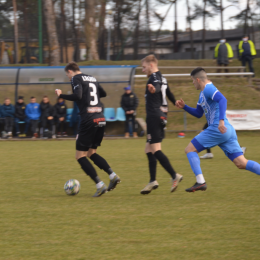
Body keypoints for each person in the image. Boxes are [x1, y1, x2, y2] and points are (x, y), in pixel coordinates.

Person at [175, 67, 260, 192]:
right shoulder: (202, 94)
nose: (193, 83)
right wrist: (185, 107)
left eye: (192, 81)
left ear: (198, 79)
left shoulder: (209, 88)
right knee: (241, 163)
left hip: (218, 128)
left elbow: (222, 99)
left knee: (189, 149)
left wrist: (220, 121)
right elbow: (199, 113)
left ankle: (200, 182)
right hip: (226, 131)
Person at [55, 61, 120, 197]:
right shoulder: (92, 78)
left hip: (88, 119)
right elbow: (103, 93)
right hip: (101, 119)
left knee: (80, 156)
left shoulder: (75, 78)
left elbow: (77, 96)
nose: (68, 78)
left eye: (67, 75)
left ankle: (99, 184)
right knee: (91, 152)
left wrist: (61, 95)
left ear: (70, 71)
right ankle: (112, 175)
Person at [140, 54, 183, 195]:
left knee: (156, 149)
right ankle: (152, 180)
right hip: (161, 115)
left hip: (154, 115)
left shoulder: (154, 78)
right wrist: (175, 101)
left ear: (151, 65)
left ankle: (174, 175)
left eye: (144, 67)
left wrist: (154, 90)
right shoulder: (162, 77)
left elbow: (157, 87)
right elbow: (168, 92)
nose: (142, 70)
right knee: (148, 149)